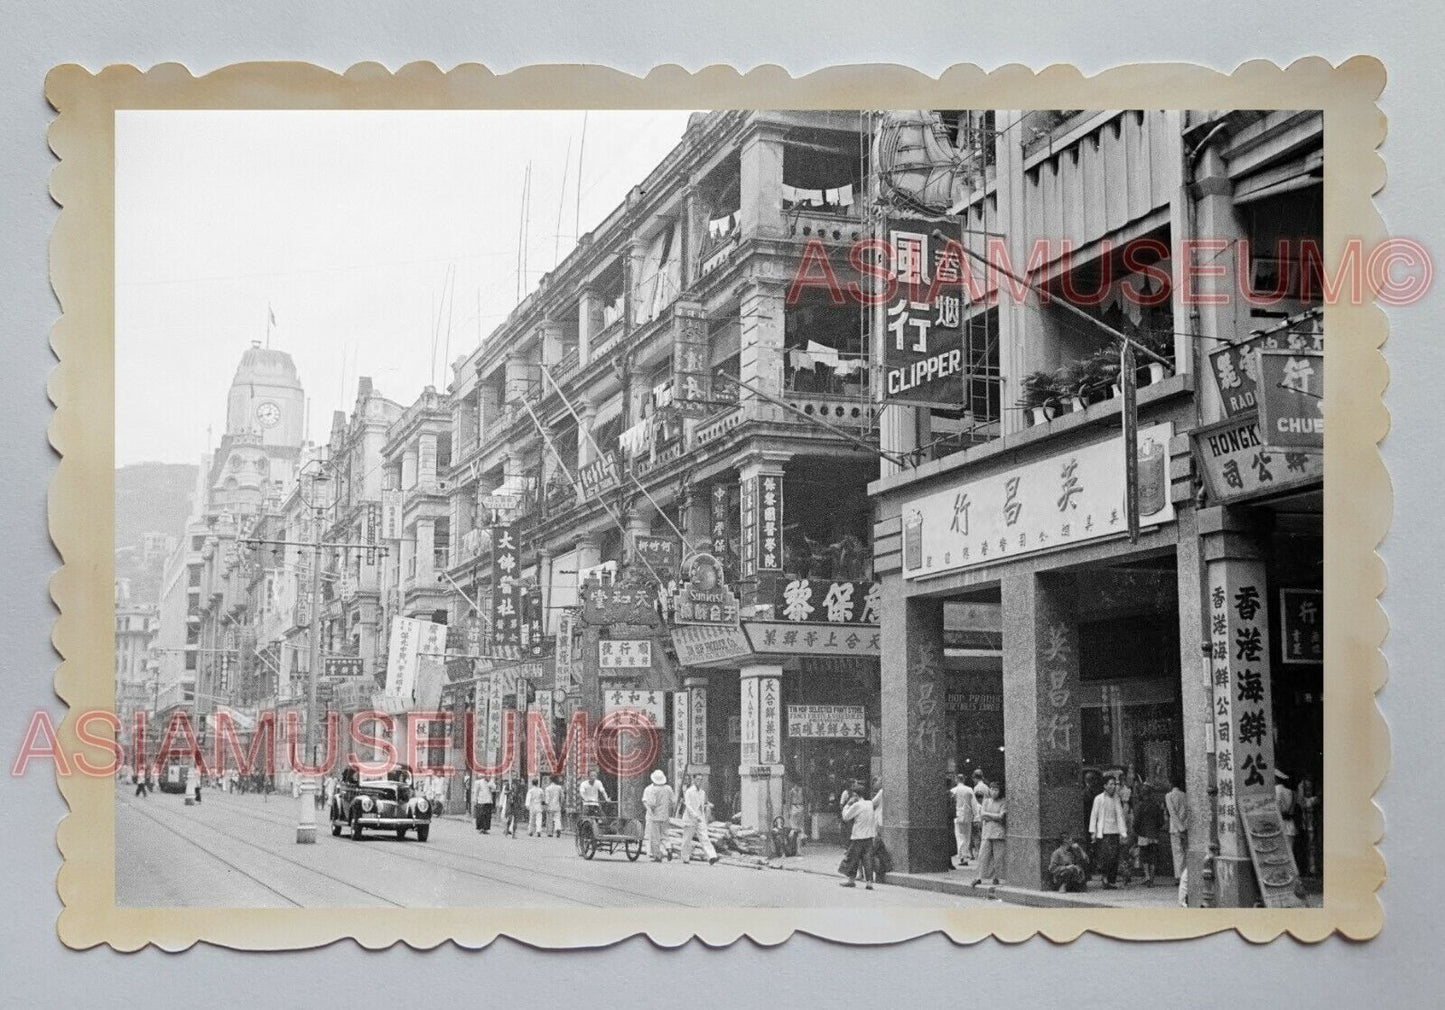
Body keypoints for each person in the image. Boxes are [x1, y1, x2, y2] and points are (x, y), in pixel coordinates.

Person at [839, 781, 881, 889]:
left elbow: (846, 817)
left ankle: (851, 880)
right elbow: (876, 800)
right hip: (869, 837)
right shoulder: (869, 804)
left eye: (853, 795)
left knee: (853, 859)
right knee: (867, 860)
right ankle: (869, 882)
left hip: (858, 836)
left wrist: (847, 805)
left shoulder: (857, 805)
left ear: (856, 795)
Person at [1088, 776, 1129, 889]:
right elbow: (1094, 815)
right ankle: (1105, 878)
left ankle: (1111, 880)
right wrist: (1093, 832)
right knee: (1106, 857)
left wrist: (1123, 832)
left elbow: (1120, 816)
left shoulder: (1116, 798)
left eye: (1114, 784)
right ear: (1105, 786)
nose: (1113, 786)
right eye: (1110, 784)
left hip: (1114, 831)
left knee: (1114, 857)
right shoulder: (1098, 799)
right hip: (1103, 832)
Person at [679, 773, 720, 865]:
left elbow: (702, 805)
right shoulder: (689, 792)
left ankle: (712, 856)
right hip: (690, 818)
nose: (699, 781)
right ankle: (685, 857)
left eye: (701, 779)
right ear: (693, 780)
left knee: (705, 837)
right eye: (697, 779)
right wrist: (695, 815)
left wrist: (703, 816)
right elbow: (688, 805)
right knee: (687, 839)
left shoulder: (702, 792)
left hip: (700, 818)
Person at [973, 781, 1007, 886]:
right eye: (991, 789)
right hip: (987, 833)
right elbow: (982, 815)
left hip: (998, 833)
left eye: (996, 789)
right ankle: (980, 877)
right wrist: (994, 816)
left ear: (1000, 791)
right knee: (983, 856)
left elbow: (1002, 816)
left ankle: (998, 877)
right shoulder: (986, 801)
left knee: (999, 857)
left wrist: (988, 816)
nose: (993, 791)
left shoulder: (1003, 802)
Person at [1132, 782, 1163, 886]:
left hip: (1143, 834)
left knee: (1144, 856)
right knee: (1153, 856)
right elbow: (1161, 821)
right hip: (1154, 834)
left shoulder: (1140, 806)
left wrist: (1136, 831)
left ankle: (1147, 876)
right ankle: (1152, 877)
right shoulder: (1156, 805)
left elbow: (1136, 822)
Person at [641, 769, 676, 862]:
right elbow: (673, 801)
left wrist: (650, 810)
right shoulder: (668, 788)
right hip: (665, 816)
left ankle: (657, 856)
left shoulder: (651, 789)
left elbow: (651, 804)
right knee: (665, 835)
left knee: (655, 838)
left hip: (655, 817)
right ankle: (669, 848)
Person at [949, 772, 979, 869]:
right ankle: (965, 856)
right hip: (968, 815)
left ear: (957, 780)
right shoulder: (969, 789)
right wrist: (977, 816)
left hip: (957, 815)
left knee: (959, 836)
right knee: (967, 836)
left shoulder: (953, 790)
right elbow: (974, 804)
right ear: (964, 780)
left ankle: (962, 856)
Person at [1164, 778, 1190, 881]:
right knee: (1185, 852)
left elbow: (1172, 813)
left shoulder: (1169, 796)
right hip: (1185, 827)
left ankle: (1179, 876)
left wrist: (1179, 827)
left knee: (1177, 853)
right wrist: (1184, 826)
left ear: (1171, 784)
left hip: (1175, 829)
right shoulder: (1185, 795)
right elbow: (1188, 811)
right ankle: (1185, 875)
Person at [1298, 776, 1322, 877]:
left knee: (1312, 846)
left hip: (1312, 822)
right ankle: (1310, 869)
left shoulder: (1313, 796)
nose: (1308, 790)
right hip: (1307, 822)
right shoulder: (1301, 787)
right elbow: (1302, 803)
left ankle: (1313, 868)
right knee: (1309, 846)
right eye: (1306, 788)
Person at [1275, 771, 1298, 856]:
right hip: (1290, 825)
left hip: (1280, 824)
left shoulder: (1277, 790)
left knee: (1279, 854)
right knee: (1289, 854)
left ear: (1276, 778)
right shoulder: (1292, 792)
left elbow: (1276, 807)